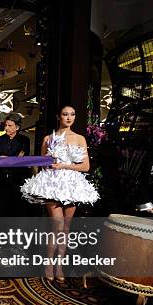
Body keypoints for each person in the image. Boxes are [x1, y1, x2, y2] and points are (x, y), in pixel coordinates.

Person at [21, 105, 99, 281]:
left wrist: (65, 165)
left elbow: (85, 167)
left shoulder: (80, 139)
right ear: (59, 117)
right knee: (56, 226)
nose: (69, 117)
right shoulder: (48, 138)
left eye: (72, 114)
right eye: (65, 114)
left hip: (72, 185)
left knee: (66, 228)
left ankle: (59, 266)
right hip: (52, 185)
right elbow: (42, 163)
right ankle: (49, 265)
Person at [0, 113, 31, 217]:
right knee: (1, 211)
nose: (6, 128)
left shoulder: (24, 140)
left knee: (18, 211)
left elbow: (21, 159)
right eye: (5, 125)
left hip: (17, 180)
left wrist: (6, 158)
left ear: (17, 127)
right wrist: (13, 158)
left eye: (9, 126)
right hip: (0, 180)